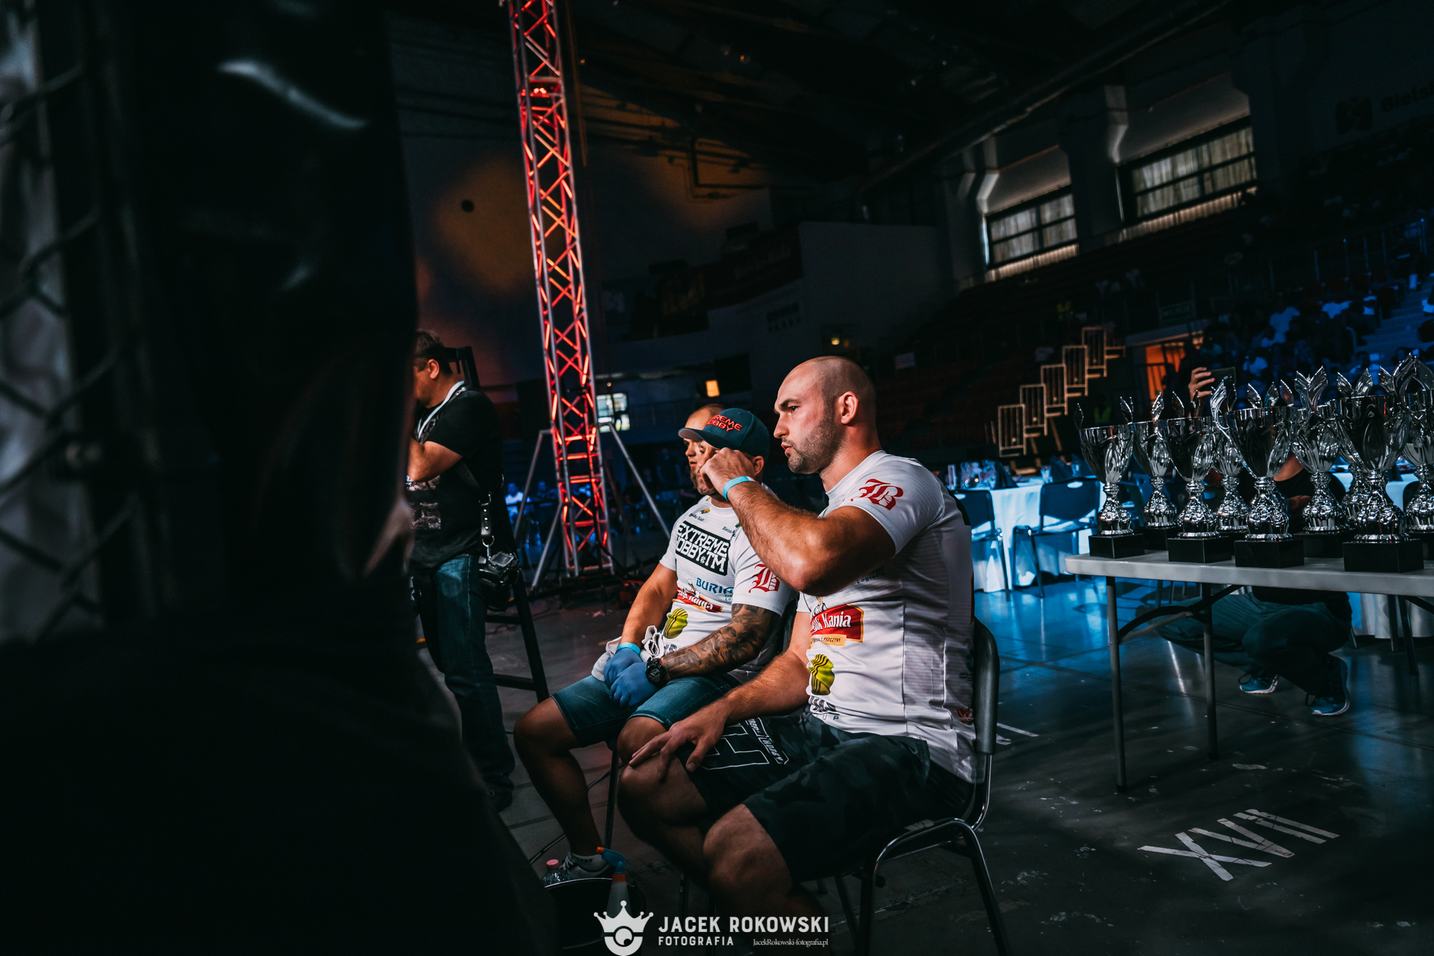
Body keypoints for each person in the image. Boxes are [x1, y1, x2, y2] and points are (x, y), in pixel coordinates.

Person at [619, 356, 975, 917]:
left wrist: (738, 482)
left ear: (846, 408)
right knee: (645, 784)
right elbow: (796, 662)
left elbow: (811, 565)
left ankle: (757, 898)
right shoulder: (824, 517)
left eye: (790, 409)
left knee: (734, 853)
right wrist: (721, 711)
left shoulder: (901, 479)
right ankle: (770, 910)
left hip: (910, 747)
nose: (778, 426)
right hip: (821, 729)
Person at [514, 404, 794, 884]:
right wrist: (628, 648)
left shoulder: (766, 526)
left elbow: (745, 640)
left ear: (755, 464)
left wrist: (656, 671)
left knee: (634, 740)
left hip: (717, 677)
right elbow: (657, 589)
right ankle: (590, 860)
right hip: (654, 660)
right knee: (535, 731)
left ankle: (732, 882)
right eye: (701, 448)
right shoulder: (694, 514)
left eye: (716, 452)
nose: (701, 458)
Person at [1176, 368, 1353, 716]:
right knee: (1176, 621)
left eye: (1273, 425)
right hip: (1260, 603)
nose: (1265, 434)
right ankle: (1270, 662)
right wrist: (1196, 409)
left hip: (1316, 608)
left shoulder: (1324, 484)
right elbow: (1197, 465)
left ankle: (1326, 678)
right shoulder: (1246, 481)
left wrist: (1291, 512)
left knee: (1261, 639)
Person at [406, 330, 518, 808]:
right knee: (444, 668)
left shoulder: (469, 407)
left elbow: (419, 467)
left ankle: (494, 777)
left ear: (431, 367)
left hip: (465, 552)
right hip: (423, 554)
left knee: (467, 672)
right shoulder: (421, 415)